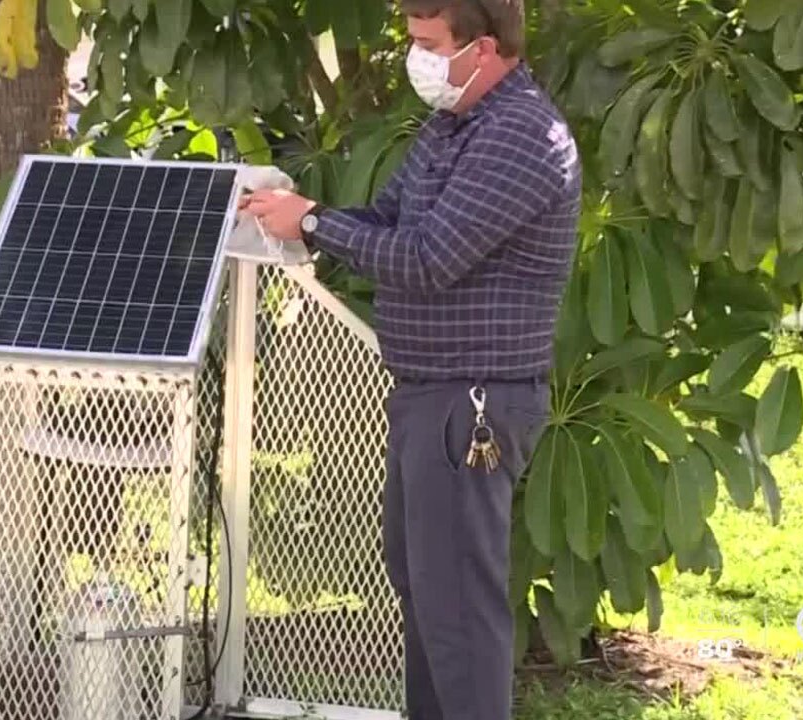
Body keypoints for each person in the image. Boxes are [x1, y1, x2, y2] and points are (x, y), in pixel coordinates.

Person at [241, 1, 582, 718]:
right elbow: (390, 221)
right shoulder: (455, 124)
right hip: (431, 395)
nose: (415, 59)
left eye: (428, 44)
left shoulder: (520, 135)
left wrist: (309, 221)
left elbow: (429, 259)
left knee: (456, 605)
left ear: (483, 47)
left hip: (474, 402)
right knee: (427, 590)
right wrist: (298, 215)